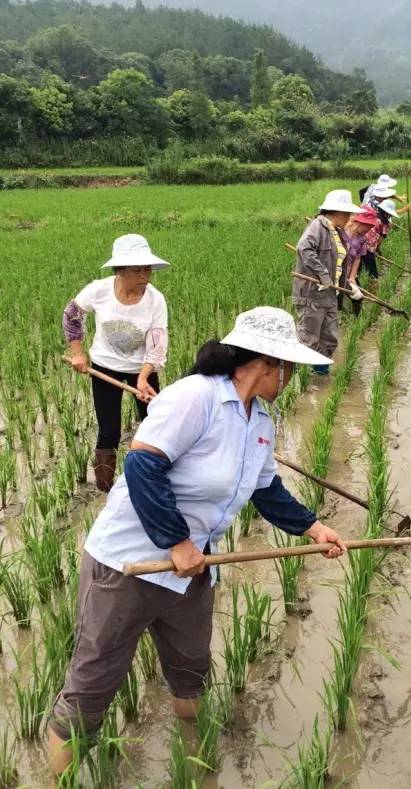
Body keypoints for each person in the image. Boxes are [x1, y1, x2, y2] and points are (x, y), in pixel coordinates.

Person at [48, 306, 347, 778]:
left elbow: (265, 489)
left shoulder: (261, 421)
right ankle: (57, 780)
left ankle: (198, 754)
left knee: (190, 668)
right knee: (94, 681)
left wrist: (314, 528)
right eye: (286, 366)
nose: (289, 376)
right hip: (129, 566)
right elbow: (143, 466)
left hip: (190, 574)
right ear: (264, 362)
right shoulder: (196, 398)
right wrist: (177, 542)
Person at [63, 234, 170, 493]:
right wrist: (77, 353)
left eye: (147, 268)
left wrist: (144, 376)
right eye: (137, 269)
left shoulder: (155, 300)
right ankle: (105, 492)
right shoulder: (99, 290)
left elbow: (157, 346)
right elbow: (72, 314)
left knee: (154, 425)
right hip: (103, 367)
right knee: (109, 430)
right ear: (120, 270)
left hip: (140, 370)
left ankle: (152, 482)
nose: (145, 274)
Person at [292, 189, 364, 375]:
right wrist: (323, 275)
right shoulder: (318, 226)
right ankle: (304, 383)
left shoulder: (337, 232)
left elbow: (337, 267)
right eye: (347, 213)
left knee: (329, 340)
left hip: (330, 295)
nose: (349, 217)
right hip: (312, 295)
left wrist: (350, 288)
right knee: (309, 339)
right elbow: (304, 248)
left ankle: (321, 379)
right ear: (336, 212)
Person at [338, 206, 379, 316]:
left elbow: (358, 257)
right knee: (337, 299)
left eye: (371, 226)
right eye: (368, 226)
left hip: (349, 271)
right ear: (360, 222)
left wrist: (352, 276)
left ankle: (355, 321)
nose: (369, 229)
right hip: (337, 271)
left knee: (357, 297)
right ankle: (342, 318)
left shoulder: (362, 238)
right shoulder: (340, 231)